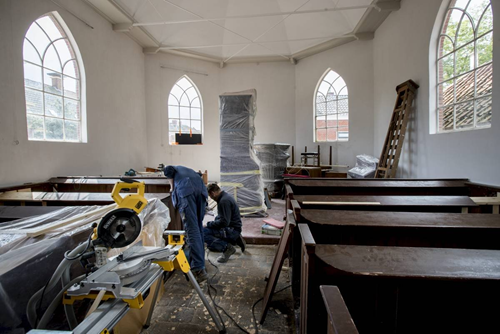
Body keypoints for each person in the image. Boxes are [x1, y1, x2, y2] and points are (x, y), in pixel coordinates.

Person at [164, 165, 208, 283]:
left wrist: (172, 187)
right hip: (201, 189)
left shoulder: (172, 169)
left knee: (192, 230)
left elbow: (168, 170)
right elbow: (198, 176)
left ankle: (199, 269)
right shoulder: (189, 170)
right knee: (198, 228)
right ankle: (200, 263)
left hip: (187, 190)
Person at [204, 183, 246, 263]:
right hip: (234, 227)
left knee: (203, 232)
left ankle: (227, 248)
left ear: (213, 193)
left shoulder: (223, 201)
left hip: (232, 229)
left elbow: (224, 222)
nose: (211, 198)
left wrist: (208, 224)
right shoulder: (225, 196)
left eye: (210, 196)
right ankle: (236, 239)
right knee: (211, 246)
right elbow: (223, 217)